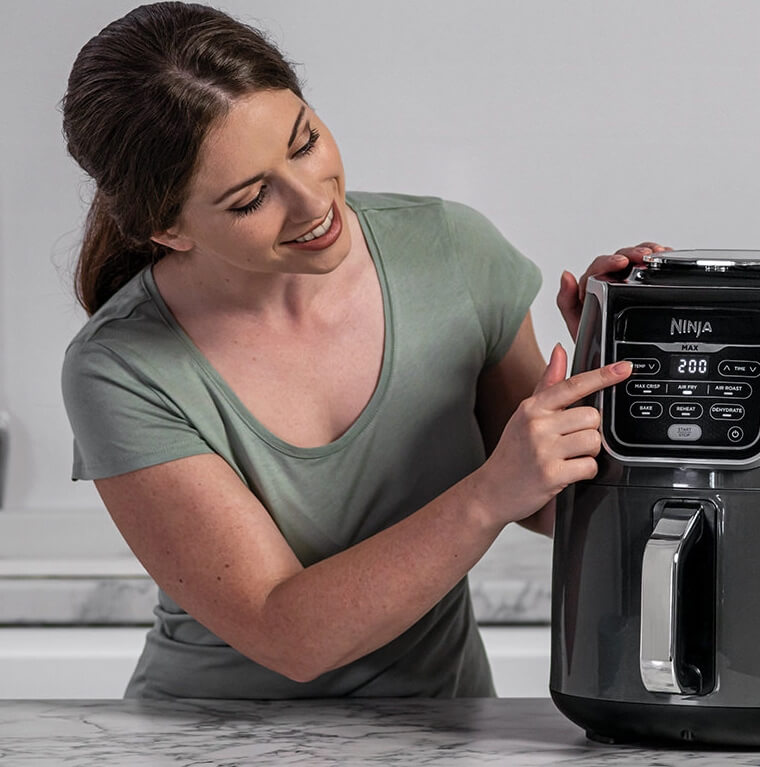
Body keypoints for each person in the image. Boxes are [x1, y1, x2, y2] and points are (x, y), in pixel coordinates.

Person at [60, 2, 667, 700]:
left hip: (441, 727)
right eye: (252, 198)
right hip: (215, 735)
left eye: (304, 143)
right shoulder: (122, 367)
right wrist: (486, 496)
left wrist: (617, 358)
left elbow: (551, 503)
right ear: (168, 230)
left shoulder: (451, 252)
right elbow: (287, 635)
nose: (312, 201)